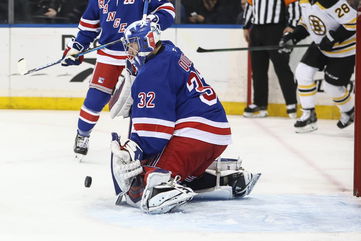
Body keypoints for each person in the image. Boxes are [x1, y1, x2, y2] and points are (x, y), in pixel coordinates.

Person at [109, 20, 261, 214]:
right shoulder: (171, 51)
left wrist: (133, 149)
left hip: (194, 136)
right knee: (177, 167)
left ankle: (159, 188)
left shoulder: (152, 74)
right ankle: (224, 178)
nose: (129, 50)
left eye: (133, 44)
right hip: (215, 134)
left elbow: (155, 135)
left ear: (147, 42)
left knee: (143, 180)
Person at [61, 0, 176, 160]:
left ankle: (143, 143)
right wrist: (77, 47)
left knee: (143, 101)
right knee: (96, 98)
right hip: (109, 54)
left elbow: (168, 10)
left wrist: (151, 22)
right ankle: (83, 134)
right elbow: (88, 27)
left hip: (139, 52)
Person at [279, 0, 356, 133]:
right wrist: (293, 37)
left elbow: (353, 22)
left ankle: (349, 112)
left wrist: (332, 38)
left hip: (345, 50)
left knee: (331, 86)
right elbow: (306, 22)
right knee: (302, 72)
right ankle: (309, 115)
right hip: (321, 45)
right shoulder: (303, 1)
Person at [242, 0, 301, 118]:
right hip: (257, 30)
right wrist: (246, 26)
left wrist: (292, 25)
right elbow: (250, 6)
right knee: (258, 69)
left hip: (276, 30)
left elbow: (294, 5)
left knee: (282, 67)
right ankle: (260, 104)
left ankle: (291, 103)